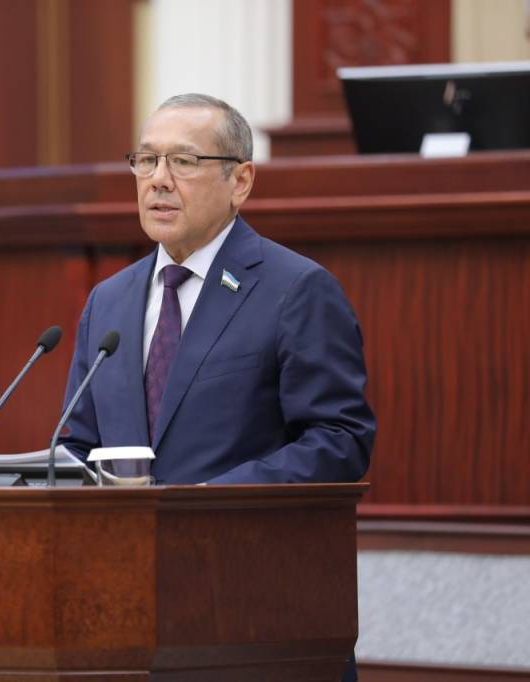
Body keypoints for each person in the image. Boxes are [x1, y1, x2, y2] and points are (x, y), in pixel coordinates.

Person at [58, 93, 375, 682]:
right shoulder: (109, 301)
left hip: (256, 612)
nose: (158, 180)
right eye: (146, 160)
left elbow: (340, 440)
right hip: (128, 620)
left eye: (183, 161)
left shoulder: (295, 289)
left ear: (241, 181)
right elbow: (78, 444)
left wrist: (212, 501)